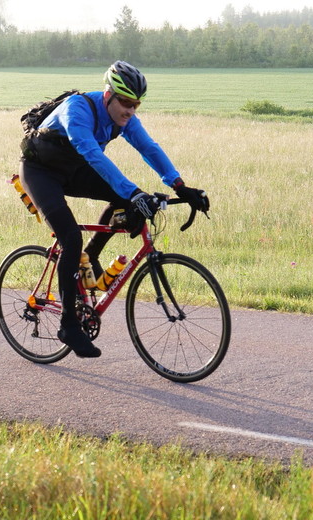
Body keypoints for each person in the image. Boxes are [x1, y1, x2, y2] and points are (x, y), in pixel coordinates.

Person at [19, 60, 210, 359]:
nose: (130, 110)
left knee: (127, 203)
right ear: (108, 95)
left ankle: (92, 256)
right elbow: (92, 154)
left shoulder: (126, 119)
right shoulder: (77, 109)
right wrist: (134, 192)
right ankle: (69, 324)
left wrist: (180, 186)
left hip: (73, 171)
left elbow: (149, 148)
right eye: (125, 102)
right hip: (41, 173)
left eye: (136, 104)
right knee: (71, 238)